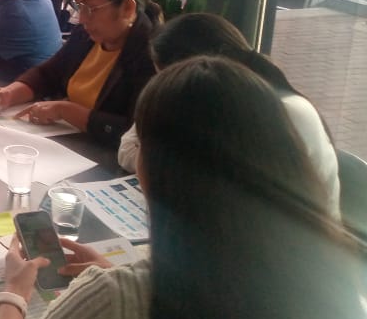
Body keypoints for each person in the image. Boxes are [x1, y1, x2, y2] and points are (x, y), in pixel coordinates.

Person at [0, 57, 366, 319]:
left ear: (159, 168)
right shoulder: (331, 281)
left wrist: (14, 293)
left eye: (141, 143)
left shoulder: (120, 300)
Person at [116, 12, 341, 217]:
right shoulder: (219, 102)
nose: (165, 90)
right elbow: (129, 145)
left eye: (169, 79)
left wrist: (160, 164)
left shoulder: (278, 115)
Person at [0, 0, 160, 147]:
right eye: (78, 6)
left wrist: (65, 110)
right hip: (64, 140)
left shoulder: (151, 56)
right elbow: (47, 74)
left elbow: (133, 133)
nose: (82, 18)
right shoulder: (87, 34)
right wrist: (9, 94)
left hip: (100, 153)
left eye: (90, 8)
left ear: (127, 8)